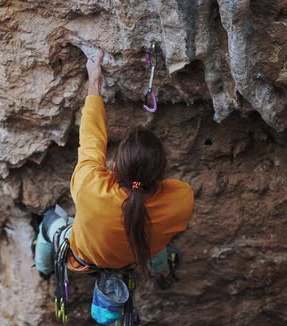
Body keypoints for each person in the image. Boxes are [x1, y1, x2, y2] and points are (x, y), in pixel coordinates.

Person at [34, 50, 194, 282]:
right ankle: (161, 274)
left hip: (84, 259)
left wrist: (94, 82)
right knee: (157, 240)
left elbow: (91, 140)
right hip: (135, 258)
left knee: (49, 219)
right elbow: (148, 196)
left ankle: (43, 270)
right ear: (160, 172)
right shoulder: (181, 199)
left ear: (115, 166)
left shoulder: (92, 187)